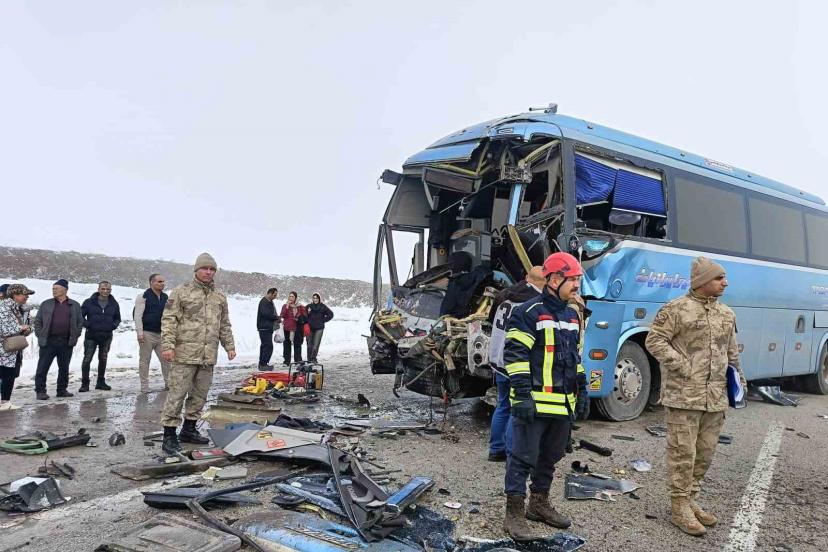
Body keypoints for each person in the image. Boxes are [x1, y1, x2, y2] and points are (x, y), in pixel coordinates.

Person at [645, 256, 747, 537]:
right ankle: (679, 506)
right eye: (719, 278)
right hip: (683, 395)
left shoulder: (726, 313)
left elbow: (731, 352)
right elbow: (654, 340)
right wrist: (682, 364)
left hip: (715, 396)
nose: (725, 283)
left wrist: (740, 381)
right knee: (682, 452)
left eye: (724, 278)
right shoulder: (676, 309)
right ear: (702, 281)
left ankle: (691, 499)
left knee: (705, 452)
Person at [501, 252, 589, 541]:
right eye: (572, 279)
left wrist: (581, 388)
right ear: (553, 280)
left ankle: (538, 505)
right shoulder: (528, 312)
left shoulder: (572, 316)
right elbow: (516, 356)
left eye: (577, 279)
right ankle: (514, 513)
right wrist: (522, 395)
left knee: (550, 457)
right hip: (533, 402)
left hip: (562, 404)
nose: (576, 285)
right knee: (521, 457)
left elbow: (573, 357)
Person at [159, 253, 235, 454]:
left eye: (212, 269)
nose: (208, 272)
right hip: (184, 353)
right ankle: (169, 434)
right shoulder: (181, 292)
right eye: (204, 268)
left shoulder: (219, 297)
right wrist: (168, 345)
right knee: (177, 394)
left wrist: (229, 346)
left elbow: (224, 324)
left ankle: (189, 429)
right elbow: (169, 320)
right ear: (196, 270)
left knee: (200, 395)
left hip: (207, 355)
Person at [487, 266, 545, 462]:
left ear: (527, 277)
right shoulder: (535, 302)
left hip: (498, 358)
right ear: (544, 282)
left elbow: (490, 321)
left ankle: (496, 449)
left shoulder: (504, 295)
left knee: (503, 404)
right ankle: (514, 453)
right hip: (518, 362)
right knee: (517, 408)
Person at [33, 279, 84, 400]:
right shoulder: (46, 304)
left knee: (64, 367)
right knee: (43, 367)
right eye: (53, 289)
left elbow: (80, 322)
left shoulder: (75, 305)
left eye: (56, 288)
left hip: (66, 341)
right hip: (49, 341)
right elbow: (38, 321)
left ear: (65, 290)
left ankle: (61, 390)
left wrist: (76, 334)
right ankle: (40, 391)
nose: (53, 291)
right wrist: (40, 334)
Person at [79, 281, 121, 392]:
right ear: (98, 289)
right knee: (87, 359)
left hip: (107, 336)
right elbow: (80, 316)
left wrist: (113, 325)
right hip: (91, 335)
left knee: (103, 359)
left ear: (110, 290)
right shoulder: (89, 302)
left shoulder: (114, 303)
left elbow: (118, 318)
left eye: (108, 289)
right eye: (103, 289)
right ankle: (85, 384)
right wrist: (89, 325)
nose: (105, 291)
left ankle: (100, 382)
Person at [0, 284, 35, 410]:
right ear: (15, 295)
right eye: (25, 294)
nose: (27, 297)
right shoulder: (4, 308)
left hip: (10, 348)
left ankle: (5, 402)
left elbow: (27, 324)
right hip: (4, 348)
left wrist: (27, 329)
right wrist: (21, 327)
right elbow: (4, 329)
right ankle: (4, 402)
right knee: (7, 374)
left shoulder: (15, 307)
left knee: (8, 374)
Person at [134, 273, 171, 393]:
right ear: (151, 282)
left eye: (163, 281)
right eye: (159, 281)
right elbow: (137, 316)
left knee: (166, 360)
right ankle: (144, 387)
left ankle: (169, 384)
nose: (162, 284)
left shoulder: (165, 297)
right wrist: (140, 332)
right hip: (147, 333)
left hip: (162, 334)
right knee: (145, 361)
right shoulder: (143, 296)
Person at [280, 291, 306, 365]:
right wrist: (287, 307)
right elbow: (282, 315)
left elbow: (304, 316)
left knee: (297, 345)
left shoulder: (300, 306)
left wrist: (298, 316)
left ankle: (297, 360)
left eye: (292, 296)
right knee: (286, 345)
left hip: (297, 328)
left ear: (295, 298)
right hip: (287, 328)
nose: (291, 298)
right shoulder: (285, 306)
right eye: (290, 296)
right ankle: (286, 361)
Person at [257, 287, 280, 369]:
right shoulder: (264, 302)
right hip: (264, 327)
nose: (275, 297)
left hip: (267, 327)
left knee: (265, 345)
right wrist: (276, 317)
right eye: (274, 295)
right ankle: (263, 364)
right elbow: (266, 314)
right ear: (270, 293)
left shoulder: (269, 302)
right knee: (268, 346)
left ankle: (262, 363)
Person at [306, 293, 333, 363]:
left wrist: (323, 320)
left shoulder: (323, 307)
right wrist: (308, 314)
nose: (315, 299)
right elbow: (303, 315)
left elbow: (331, 314)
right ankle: (309, 359)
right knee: (309, 345)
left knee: (315, 345)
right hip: (310, 328)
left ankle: (313, 358)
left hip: (319, 328)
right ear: (312, 299)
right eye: (314, 298)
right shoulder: (309, 306)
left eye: (317, 298)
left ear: (319, 299)